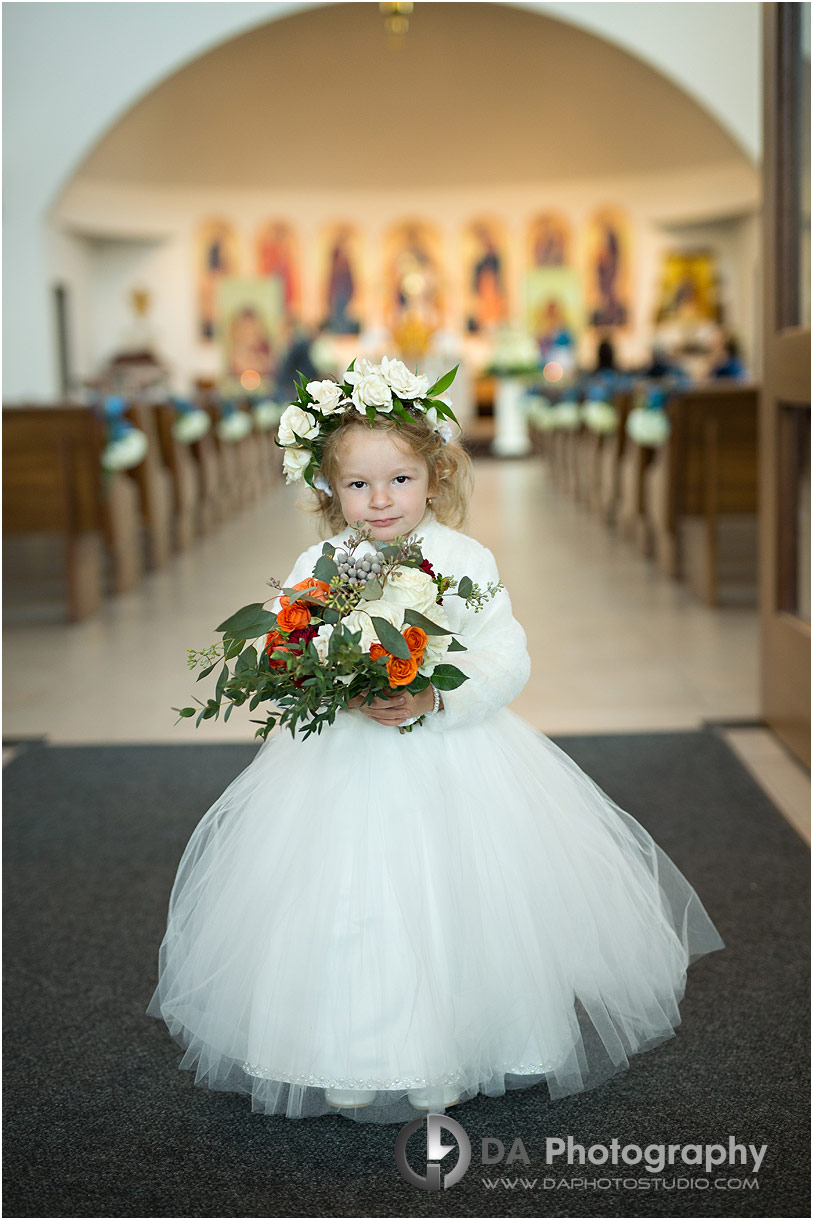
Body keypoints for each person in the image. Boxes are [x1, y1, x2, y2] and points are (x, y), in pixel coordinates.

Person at [146, 357, 724, 1125]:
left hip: (453, 754)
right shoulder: (320, 564)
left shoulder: (462, 560)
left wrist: (436, 697)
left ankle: (454, 1048)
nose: (379, 500)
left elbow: (504, 656)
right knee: (346, 900)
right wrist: (332, 684)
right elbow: (291, 645)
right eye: (357, 485)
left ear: (434, 474)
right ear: (327, 490)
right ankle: (346, 1052)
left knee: (459, 898)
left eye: (399, 480)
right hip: (340, 765)